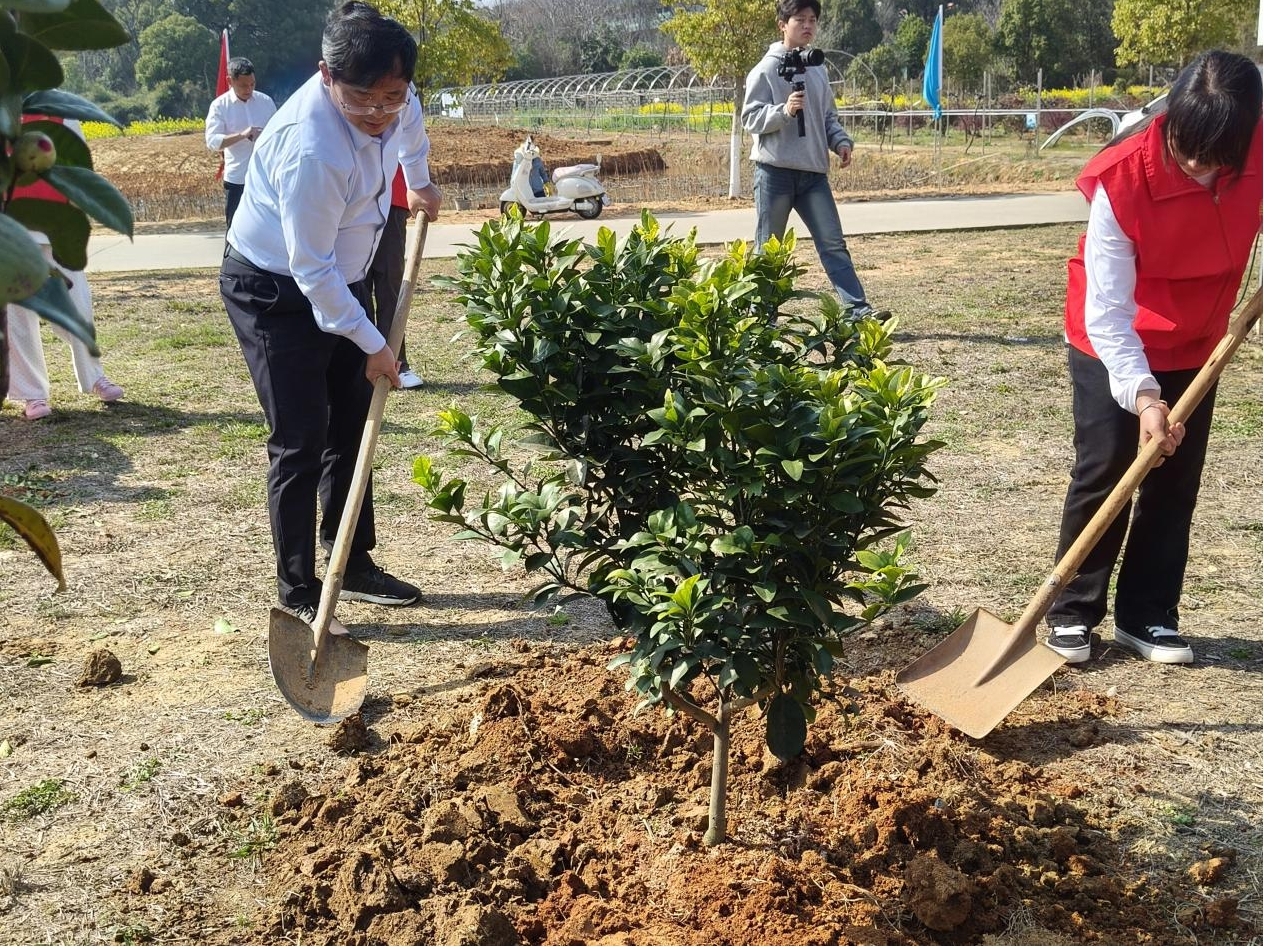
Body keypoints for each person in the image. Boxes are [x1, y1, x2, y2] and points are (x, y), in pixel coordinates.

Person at [219, 1, 442, 633]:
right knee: (301, 433)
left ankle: (353, 561)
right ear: (325, 75)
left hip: (339, 278)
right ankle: (297, 586)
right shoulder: (312, 147)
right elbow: (309, 270)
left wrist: (420, 182)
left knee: (352, 419)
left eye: (390, 97)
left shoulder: (398, 102)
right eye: (362, 98)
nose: (378, 112)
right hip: (273, 287)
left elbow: (412, 137)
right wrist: (376, 341)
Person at [1044, 49, 1261, 666]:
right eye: (1187, 147)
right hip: (1111, 336)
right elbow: (1110, 313)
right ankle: (1072, 611)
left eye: (1215, 156)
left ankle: (1147, 615)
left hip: (1200, 335)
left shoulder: (1255, 144)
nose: (1196, 165)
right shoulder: (1123, 180)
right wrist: (1144, 396)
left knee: (1175, 478)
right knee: (1108, 465)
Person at [741, 0, 874, 316]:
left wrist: (839, 141)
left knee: (833, 245)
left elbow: (827, 115)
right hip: (775, 173)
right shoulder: (766, 69)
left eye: (813, 19)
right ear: (782, 24)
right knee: (768, 252)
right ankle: (762, 322)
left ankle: (858, 311)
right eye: (800, 19)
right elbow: (750, 118)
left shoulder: (817, 68)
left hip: (814, 174)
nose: (808, 25)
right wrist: (784, 111)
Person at [4, 116, 124, 420]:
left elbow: (77, 164)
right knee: (20, 316)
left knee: (77, 305)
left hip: (57, 225)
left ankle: (94, 375)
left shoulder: (59, 112)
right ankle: (32, 394)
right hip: (13, 229)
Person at [366, 166, 424, 390]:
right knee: (355, 287)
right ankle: (359, 365)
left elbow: (412, 148)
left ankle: (398, 364)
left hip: (391, 202)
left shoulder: (398, 129)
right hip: (350, 199)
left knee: (390, 286)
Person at [204, 57, 277, 228]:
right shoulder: (219, 106)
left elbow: (280, 135)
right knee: (235, 232)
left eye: (252, 84)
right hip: (238, 180)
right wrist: (243, 135)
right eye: (243, 85)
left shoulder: (266, 102)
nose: (249, 89)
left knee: (267, 230)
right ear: (230, 81)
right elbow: (213, 142)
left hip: (266, 180)